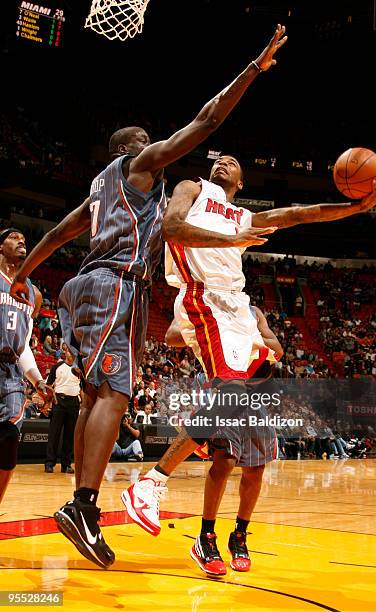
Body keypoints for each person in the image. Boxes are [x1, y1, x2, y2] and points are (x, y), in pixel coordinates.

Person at [9, 26, 288, 569]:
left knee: (94, 398)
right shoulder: (135, 169)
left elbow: (58, 234)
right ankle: (86, 506)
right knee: (113, 396)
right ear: (128, 150)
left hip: (83, 288)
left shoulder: (96, 194)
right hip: (116, 284)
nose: (153, 147)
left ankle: (81, 507)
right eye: (144, 141)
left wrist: (24, 276)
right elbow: (207, 120)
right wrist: (253, 68)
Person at [120, 153, 376, 539]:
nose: (223, 163)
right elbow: (173, 228)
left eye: (233, 162)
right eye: (219, 160)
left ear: (242, 181)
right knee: (231, 392)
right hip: (204, 297)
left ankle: (203, 429)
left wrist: (357, 207)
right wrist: (232, 240)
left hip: (238, 306)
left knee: (259, 374)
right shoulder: (193, 189)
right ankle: (151, 481)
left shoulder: (245, 217)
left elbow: (301, 213)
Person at [165, 305, 283, 575]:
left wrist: (246, 335)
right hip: (219, 388)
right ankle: (206, 537)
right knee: (225, 461)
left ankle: (239, 535)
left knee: (255, 470)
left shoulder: (253, 311)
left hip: (253, 394)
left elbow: (277, 350)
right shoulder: (198, 302)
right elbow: (171, 336)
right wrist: (213, 333)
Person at [0, 228, 53, 505]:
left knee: (9, 439)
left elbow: (24, 347)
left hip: (10, 373)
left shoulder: (33, 294)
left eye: (24, 237)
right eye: (13, 237)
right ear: (0, 247)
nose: (22, 241)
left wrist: (38, 380)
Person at [44, 347, 81, 474]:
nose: (71, 354)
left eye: (73, 352)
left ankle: (66, 464)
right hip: (59, 401)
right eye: (69, 351)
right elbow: (48, 385)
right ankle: (49, 463)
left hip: (74, 403)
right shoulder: (57, 367)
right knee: (54, 433)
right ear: (65, 353)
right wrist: (52, 396)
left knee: (70, 435)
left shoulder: (79, 369)